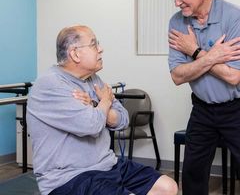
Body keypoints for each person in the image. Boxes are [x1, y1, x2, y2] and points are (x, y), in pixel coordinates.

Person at [27, 25, 178, 195]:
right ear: (75, 53)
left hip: (107, 165)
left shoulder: (93, 79)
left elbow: (122, 118)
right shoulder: (50, 84)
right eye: (94, 44)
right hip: (69, 178)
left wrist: (93, 105)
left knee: (167, 187)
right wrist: (105, 101)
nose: (101, 49)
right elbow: (91, 125)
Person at [168, 0, 240, 195]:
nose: (177, 2)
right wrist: (212, 57)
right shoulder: (177, 22)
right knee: (192, 173)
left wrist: (195, 52)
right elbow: (177, 76)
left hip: (235, 109)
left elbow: (233, 76)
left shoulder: (234, 18)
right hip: (201, 111)